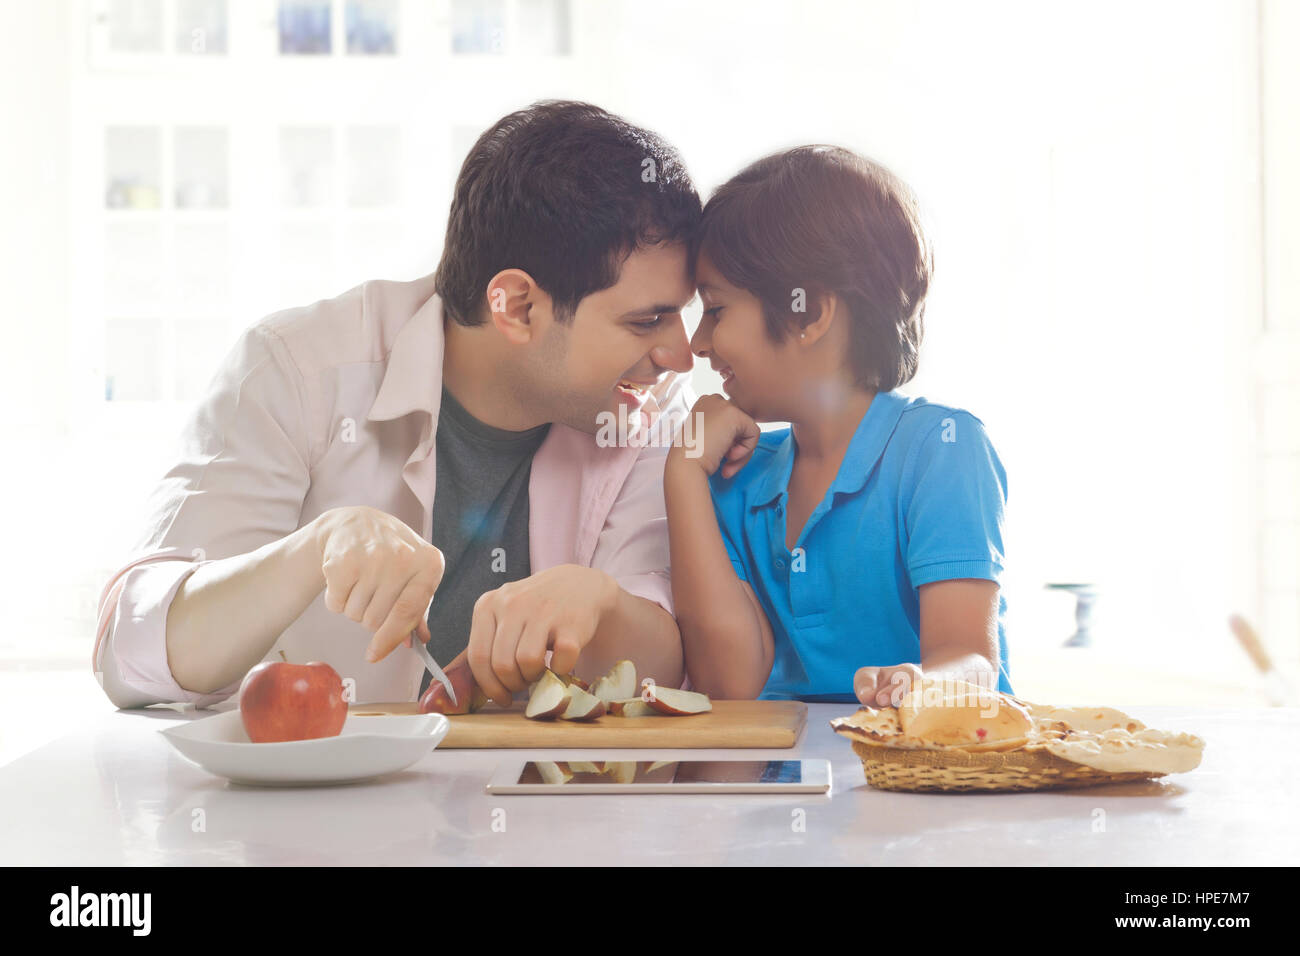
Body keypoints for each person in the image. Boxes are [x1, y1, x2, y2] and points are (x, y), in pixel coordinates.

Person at [94, 100, 700, 710]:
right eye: (647, 321)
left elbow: (666, 664)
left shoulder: (647, 412)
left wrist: (599, 601)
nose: (681, 354)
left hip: (532, 798)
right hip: (312, 803)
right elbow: (133, 656)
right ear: (517, 307)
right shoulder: (296, 369)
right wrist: (314, 548)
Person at [664, 145, 1013, 706]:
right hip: (789, 789)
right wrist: (682, 475)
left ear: (808, 313)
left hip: (932, 784)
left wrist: (923, 683)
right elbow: (727, 687)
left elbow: (971, 662)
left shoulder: (941, 451)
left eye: (717, 310)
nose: (698, 344)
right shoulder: (734, 475)